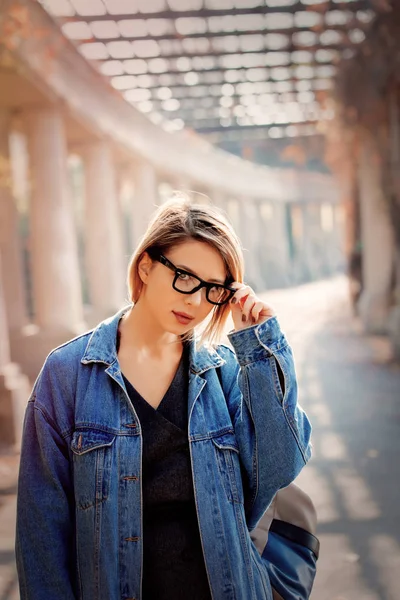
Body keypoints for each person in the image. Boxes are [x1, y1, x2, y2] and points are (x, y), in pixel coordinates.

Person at [15, 198, 312, 600]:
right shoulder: (68, 374)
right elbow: (41, 538)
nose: (196, 300)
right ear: (145, 266)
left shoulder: (224, 372)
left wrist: (259, 348)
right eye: (185, 277)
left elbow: (279, 466)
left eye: (213, 289)